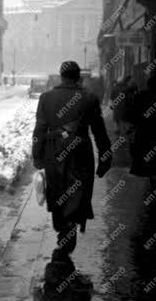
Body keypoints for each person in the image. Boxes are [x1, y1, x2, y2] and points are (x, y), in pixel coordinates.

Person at [32, 61, 112, 259]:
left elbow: (40, 129)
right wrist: (105, 157)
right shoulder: (90, 98)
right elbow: (99, 131)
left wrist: (37, 155)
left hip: (54, 150)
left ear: (61, 76)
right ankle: (71, 225)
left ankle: (63, 229)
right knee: (78, 189)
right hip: (80, 151)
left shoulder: (46, 98)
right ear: (78, 77)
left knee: (57, 189)